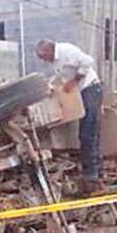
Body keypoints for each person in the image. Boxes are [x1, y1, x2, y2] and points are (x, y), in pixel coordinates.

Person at [35, 39, 103, 192]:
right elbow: (61, 77)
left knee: (87, 133)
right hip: (80, 92)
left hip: (90, 89)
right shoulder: (55, 61)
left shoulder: (67, 51)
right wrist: (51, 87)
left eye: (43, 57)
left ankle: (91, 175)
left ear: (49, 50)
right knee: (86, 133)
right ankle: (95, 171)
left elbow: (88, 61)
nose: (43, 61)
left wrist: (74, 81)